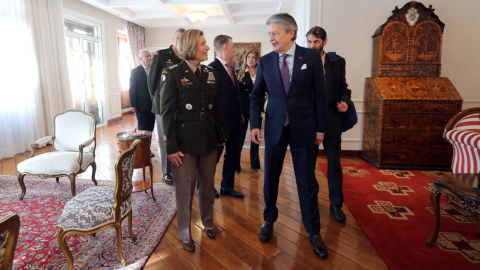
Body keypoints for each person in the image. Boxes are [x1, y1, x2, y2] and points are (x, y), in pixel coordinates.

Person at [250, 13, 329, 259]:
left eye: (275, 33)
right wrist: (255, 125)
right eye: (269, 34)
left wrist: (320, 128)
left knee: (306, 180)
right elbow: (256, 96)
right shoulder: (265, 61)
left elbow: (320, 95)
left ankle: (314, 231)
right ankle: (268, 220)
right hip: (274, 127)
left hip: (304, 129)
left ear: (290, 33)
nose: (271, 38)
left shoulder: (312, 57)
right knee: (270, 177)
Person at [159, 29, 228, 252]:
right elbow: (167, 113)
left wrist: (222, 135)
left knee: (207, 185)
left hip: (208, 139)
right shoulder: (172, 73)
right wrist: (170, 146)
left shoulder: (209, 73)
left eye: (206, 43)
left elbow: (216, 107)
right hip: (183, 142)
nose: (207, 47)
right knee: (185, 189)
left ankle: (208, 222)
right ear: (190, 47)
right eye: (203, 44)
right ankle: (185, 232)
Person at [307, 26, 351, 223]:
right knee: (308, 164)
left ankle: (336, 205)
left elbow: (344, 88)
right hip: (310, 121)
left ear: (324, 41)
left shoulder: (337, 61)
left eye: (316, 41)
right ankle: (311, 201)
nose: (312, 45)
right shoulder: (303, 60)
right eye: (309, 42)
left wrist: (345, 102)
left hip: (332, 120)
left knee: (334, 165)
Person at [209, 35, 245, 199]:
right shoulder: (211, 69)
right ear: (224, 47)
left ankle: (227, 186)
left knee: (232, 155)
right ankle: (208, 186)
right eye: (232, 47)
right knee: (214, 157)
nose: (234, 51)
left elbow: (234, 95)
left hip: (235, 121)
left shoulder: (231, 68)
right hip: (220, 124)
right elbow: (211, 100)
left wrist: (241, 116)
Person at [148, 28, 186, 185]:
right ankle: (166, 172)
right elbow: (151, 81)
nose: (179, 41)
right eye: (177, 38)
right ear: (173, 38)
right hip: (163, 106)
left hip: (181, 106)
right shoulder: (161, 55)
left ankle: (179, 169)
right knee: (165, 139)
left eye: (182, 39)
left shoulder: (186, 57)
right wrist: (157, 100)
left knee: (178, 138)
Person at [237, 50, 261, 171]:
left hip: (256, 109)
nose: (250, 59)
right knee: (240, 137)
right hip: (243, 109)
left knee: (255, 136)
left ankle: (255, 163)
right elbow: (237, 94)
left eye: (253, 57)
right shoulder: (240, 73)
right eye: (248, 57)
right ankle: (236, 163)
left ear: (257, 59)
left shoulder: (261, 73)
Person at [129, 49, 155, 158]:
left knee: (150, 128)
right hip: (141, 106)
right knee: (143, 129)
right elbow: (132, 89)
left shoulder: (154, 70)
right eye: (146, 56)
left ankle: (147, 148)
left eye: (150, 55)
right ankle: (144, 151)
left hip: (153, 106)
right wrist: (132, 105)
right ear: (140, 59)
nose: (149, 58)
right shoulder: (135, 71)